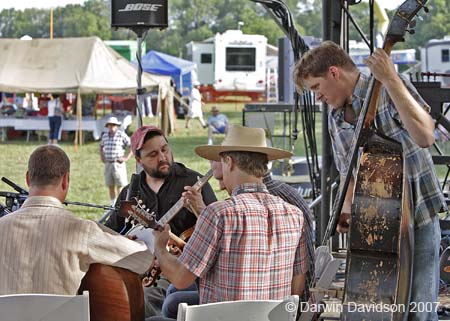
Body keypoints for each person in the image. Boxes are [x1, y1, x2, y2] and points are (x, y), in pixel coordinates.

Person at [293, 41, 446, 321]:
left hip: (417, 217)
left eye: (317, 88)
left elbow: (425, 136)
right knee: (376, 311)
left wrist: (390, 78)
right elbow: (348, 172)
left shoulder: (387, 88)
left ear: (334, 73)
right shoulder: (335, 117)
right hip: (375, 227)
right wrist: (348, 206)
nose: (318, 97)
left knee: (419, 312)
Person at [152, 125, 308, 312]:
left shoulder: (218, 214)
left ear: (229, 162)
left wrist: (160, 247)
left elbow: (180, 278)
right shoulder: (294, 215)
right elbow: (297, 285)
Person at [0, 145, 153, 295]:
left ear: (28, 178)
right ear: (65, 180)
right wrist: (130, 242)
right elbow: (143, 260)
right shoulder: (82, 231)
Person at [104, 125, 217, 318]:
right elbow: (109, 233)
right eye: (153, 154)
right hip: (136, 267)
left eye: (165, 149)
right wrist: (125, 242)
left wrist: (199, 209)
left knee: (146, 299)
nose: (163, 157)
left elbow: (216, 228)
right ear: (138, 160)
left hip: (175, 271)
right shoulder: (132, 191)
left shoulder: (191, 181)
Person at [99, 116, 133, 205]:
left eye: (114, 125)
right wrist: (102, 156)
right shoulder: (105, 135)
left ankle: (120, 204)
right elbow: (101, 146)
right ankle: (112, 204)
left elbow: (131, 146)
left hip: (118, 163)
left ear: (117, 126)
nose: (112, 127)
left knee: (120, 185)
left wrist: (126, 158)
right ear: (108, 126)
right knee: (110, 185)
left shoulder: (121, 135)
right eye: (110, 125)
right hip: (108, 163)